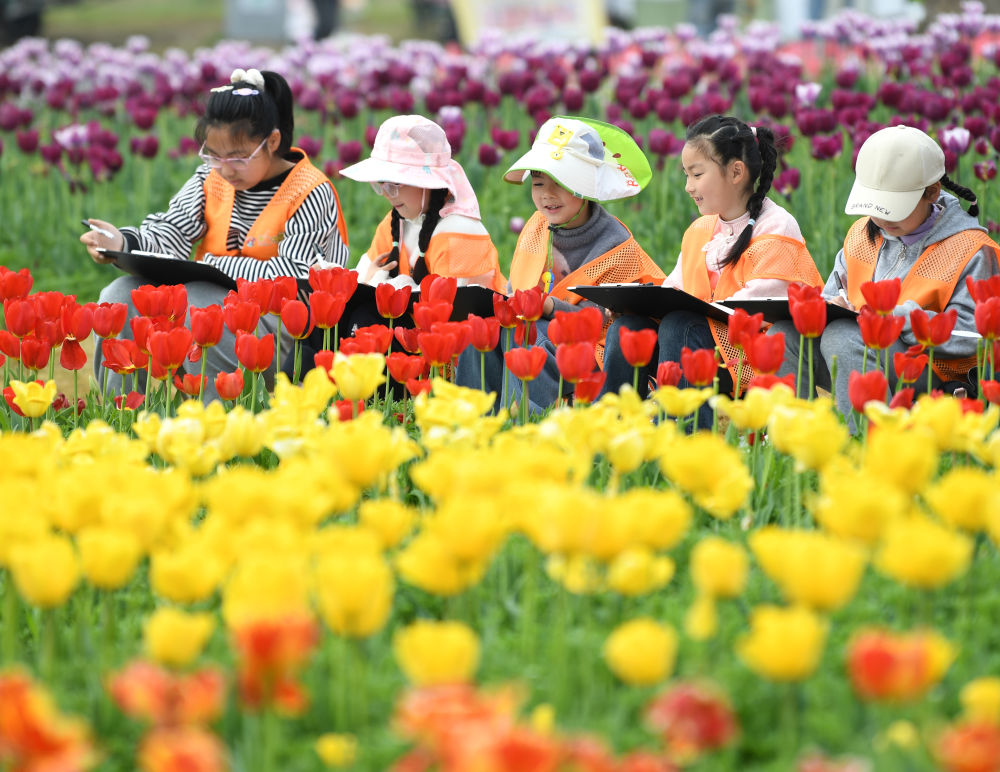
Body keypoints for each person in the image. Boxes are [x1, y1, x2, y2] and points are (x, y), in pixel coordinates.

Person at [80, 68, 349, 401]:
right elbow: (174, 230)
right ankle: (119, 414)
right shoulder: (212, 177)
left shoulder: (310, 190)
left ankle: (217, 425)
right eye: (214, 155)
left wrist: (215, 267)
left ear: (273, 141)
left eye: (237, 157)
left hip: (288, 330)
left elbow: (295, 277)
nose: (224, 168)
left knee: (199, 304)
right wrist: (122, 243)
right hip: (211, 299)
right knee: (119, 296)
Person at [768, 124, 1000, 429]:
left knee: (843, 336)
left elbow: (976, 338)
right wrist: (830, 306)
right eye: (875, 205)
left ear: (932, 192)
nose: (881, 217)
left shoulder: (972, 249)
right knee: (783, 335)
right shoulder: (861, 235)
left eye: (893, 208)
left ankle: (864, 447)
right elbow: (834, 290)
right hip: (862, 355)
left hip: (936, 375)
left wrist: (893, 318)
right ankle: (791, 444)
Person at [600, 114, 821, 429]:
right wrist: (635, 305)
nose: (689, 187)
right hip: (696, 342)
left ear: (736, 172)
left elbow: (758, 309)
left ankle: (686, 436)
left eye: (697, 174)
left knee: (681, 322)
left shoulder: (777, 226)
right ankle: (610, 428)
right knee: (629, 329)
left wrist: (686, 309)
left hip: (746, 358)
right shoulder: (701, 229)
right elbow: (675, 290)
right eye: (685, 175)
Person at [457, 115, 665, 412]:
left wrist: (550, 308)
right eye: (539, 183)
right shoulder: (536, 227)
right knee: (482, 331)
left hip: (590, 351)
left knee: (529, 336)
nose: (546, 196)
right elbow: (518, 289)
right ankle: (476, 419)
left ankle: (529, 425)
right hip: (537, 329)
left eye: (561, 183)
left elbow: (603, 322)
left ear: (585, 188)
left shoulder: (617, 246)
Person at [285, 114, 504, 379]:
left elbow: (455, 317)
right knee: (320, 320)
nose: (388, 193)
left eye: (396, 183)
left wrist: (393, 286)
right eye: (382, 184)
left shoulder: (459, 233)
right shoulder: (397, 220)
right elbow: (365, 275)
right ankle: (297, 395)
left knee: (365, 323)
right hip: (403, 335)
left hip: (443, 358)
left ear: (429, 182)